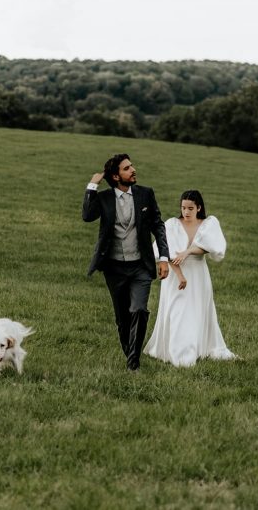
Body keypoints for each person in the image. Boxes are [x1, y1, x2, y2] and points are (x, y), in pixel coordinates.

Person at [82, 154, 170, 371]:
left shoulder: (145, 194)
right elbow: (87, 215)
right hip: (114, 267)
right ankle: (131, 354)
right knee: (123, 319)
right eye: (127, 168)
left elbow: (158, 226)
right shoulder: (104, 198)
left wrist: (164, 258)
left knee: (139, 310)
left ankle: (133, 364)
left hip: (141, 265)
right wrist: (92, 185)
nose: (133, 170)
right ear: (115, 176)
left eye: (132, 166)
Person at [144, 190, 235, 367]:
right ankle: (181, 357)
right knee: (178, 311)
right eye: (183, 208)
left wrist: (188, 251)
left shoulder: (209, 223)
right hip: (175, 275)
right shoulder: (172, 224)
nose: (186, 212)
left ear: (199, 208)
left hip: (198, 274)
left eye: (190, 208)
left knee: (195, 312)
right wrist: (179, 275)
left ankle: (196, 349)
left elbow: (211, 247)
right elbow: (164, 252)